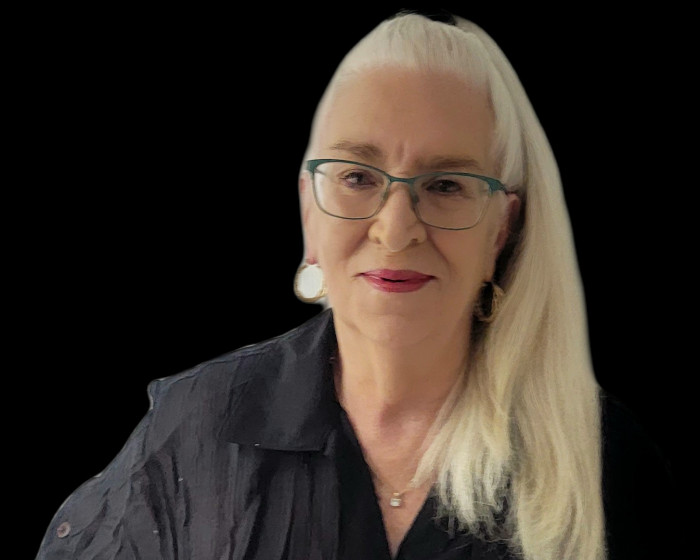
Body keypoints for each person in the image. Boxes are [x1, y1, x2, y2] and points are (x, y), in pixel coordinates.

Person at [36, 10, 675, 560]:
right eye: (357, 178)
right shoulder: (196, 426)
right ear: (309, 212)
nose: (396, 231)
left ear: (499, 231)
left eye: (446, 184)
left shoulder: (605, 461)